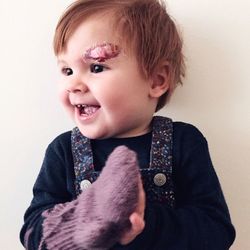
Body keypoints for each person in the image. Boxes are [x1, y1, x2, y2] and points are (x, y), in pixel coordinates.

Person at [20, 0, 236, 249]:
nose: (74, 85)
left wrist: (143, 220)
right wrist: (81, 222)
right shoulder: (63, 150)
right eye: (67, 70)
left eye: (96, 67)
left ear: (156, 80)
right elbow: (31, 232)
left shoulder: (183, 142)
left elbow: (217, 232)